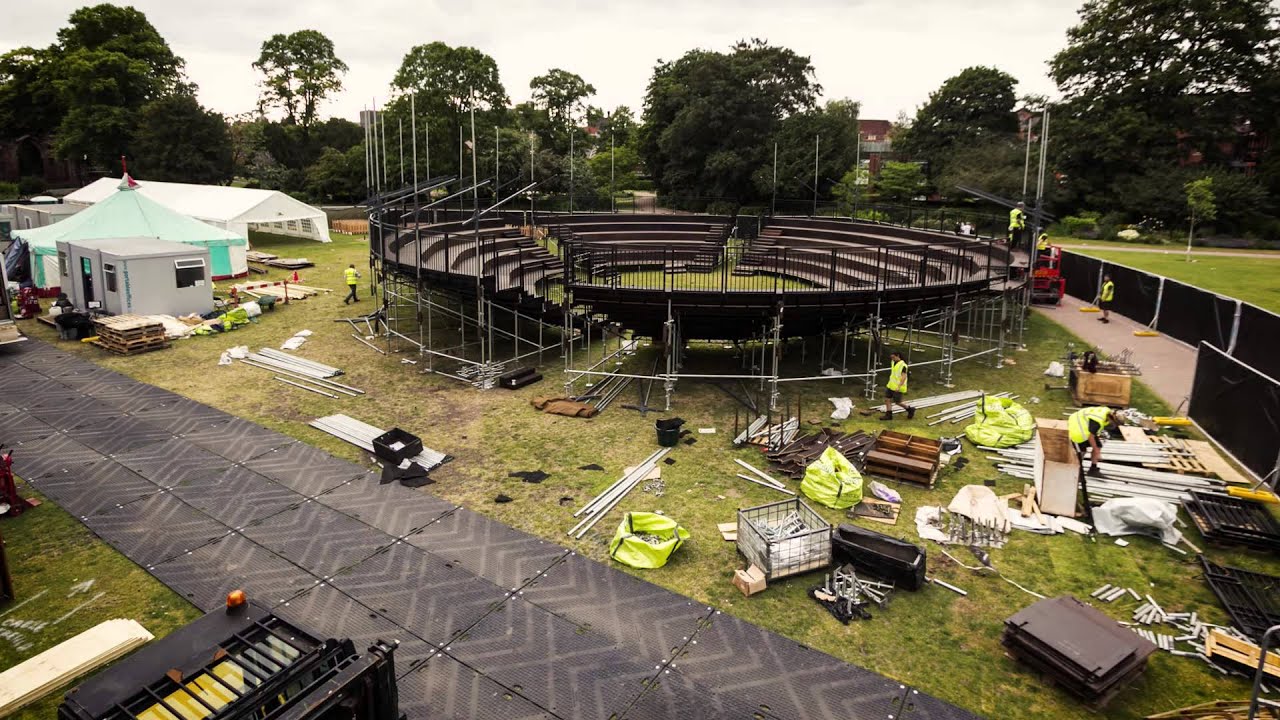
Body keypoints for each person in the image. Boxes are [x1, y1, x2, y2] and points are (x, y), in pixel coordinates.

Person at [1068, 406, 1122, 477]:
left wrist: (1097, 449)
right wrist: (1096, 451)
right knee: (1081, 451)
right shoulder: (1097, 420)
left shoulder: (1107, 413)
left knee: (1098, 446)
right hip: (1077, 427)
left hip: (1087, 425)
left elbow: (1094, 432)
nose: (1114, 426)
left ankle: (1093, 470)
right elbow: (1091, 437)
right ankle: (1075, 471)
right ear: (1111, 419)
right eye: (1115, 423)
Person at [881, 350, 915, 420]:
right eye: (891, 358)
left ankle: (909, 409)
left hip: (898, 387)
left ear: (898, 356)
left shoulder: (903, 365)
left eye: (893, 357)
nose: (892, 359)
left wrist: (899, 386)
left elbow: (904, 377)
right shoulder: (893, 362)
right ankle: (888, 414)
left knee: (898, 402)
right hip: (891, 385)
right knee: (887, 399)